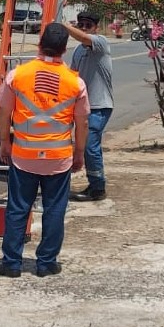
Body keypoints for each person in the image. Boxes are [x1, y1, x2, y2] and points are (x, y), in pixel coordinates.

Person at [0, 22, 89, 278]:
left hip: (24, 156)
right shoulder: (75, 83)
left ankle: (11, 264)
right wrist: (79, 153)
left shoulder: (18, 75)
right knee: (55, 209)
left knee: (17, 208)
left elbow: (4, 111)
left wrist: (4, 141)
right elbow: (82, 122)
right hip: (58, 159)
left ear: (39, 43)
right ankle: (46, 263)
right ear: (65, 49)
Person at [64, 11, 113, 202]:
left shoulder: (100, 42)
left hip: (99, 105)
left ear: (96, 28)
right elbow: (72, 76)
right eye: (81, 24)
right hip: (83, 107)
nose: (84, 28)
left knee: (89, 147)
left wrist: (63, 26)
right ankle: (95, 183)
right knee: (88, 147)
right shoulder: (78, 51)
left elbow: (83, 37)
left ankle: (98, 188)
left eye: (88, 25)